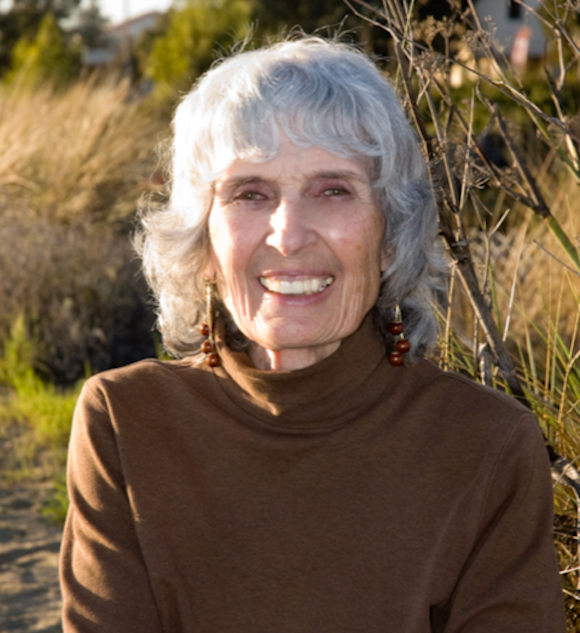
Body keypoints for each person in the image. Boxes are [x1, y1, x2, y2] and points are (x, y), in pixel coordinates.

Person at [60, 37, 565, 632]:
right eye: (250, 193)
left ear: (391, 235)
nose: (289, 234)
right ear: (201, 243)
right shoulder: (125, 422)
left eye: (333, 190)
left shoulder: (486, 444)